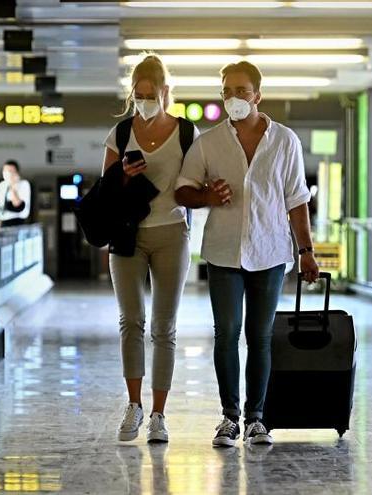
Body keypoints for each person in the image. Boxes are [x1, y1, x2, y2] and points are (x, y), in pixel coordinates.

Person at [175, 61, 320, 447]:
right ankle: (228, 417)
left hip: (270, 251)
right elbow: (182, 190)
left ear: (258, 95)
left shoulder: (285, 141)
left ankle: (257, 418)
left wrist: (305, 250)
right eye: (227, 91)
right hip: (223, 252)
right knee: (226, 334)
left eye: (241, 91)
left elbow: (297, 200)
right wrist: (206, 196)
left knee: (261, 336)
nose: (234, 98)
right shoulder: (208, 142)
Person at [104, 54, 199, 444]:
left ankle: (159, 413)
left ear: (165, 92)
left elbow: (194, 184)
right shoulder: (121, 133)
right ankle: (134, 405)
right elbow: (105, 191)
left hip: (171, 233)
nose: (144, 101)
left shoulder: (187, 132)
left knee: (164, 327)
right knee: (131, 321)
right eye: (138, 95)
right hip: (127, 234)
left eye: (151, 94)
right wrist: (123, 178)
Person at [0, 159, 32, 228]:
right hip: (3, 221)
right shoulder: (2, 185)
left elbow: (18, 205)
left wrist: (12, 186)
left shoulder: (24, 184)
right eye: (5, 171)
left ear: (16, 173)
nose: (8, 173)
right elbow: (1, 207)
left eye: (10, 171)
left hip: (18, 221)